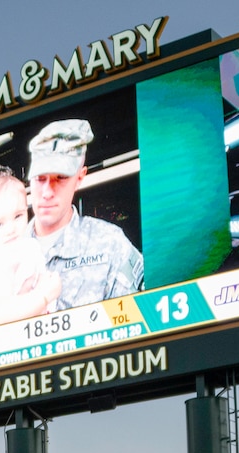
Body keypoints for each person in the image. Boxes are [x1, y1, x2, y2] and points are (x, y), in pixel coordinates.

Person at [27, 120, 143, 310]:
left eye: (61, 178)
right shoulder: (1, 255)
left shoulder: (111, 245)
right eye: (40, 178)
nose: (47, 192)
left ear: (80, 177)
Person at [0, 170, 61, 332]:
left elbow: (45, 281)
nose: (11, 229)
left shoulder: (31, 248)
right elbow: (0, 315)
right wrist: (43, 297)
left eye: (18, 216)